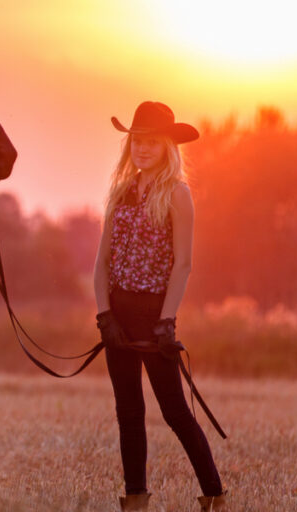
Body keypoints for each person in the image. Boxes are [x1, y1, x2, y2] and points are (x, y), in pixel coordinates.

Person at [92, 101, 228, 511]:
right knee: (128, 411)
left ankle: (214, 495)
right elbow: (101, 263)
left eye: (152, 142)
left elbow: (183, 264)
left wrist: (166, 321)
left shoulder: (178, 194)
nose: (143, 149)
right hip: (118, 312)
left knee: (174, 411)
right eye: (137, 141)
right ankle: (135, 497)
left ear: (168, 146)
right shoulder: (119, 192)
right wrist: (104, 315)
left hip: (155, 314)